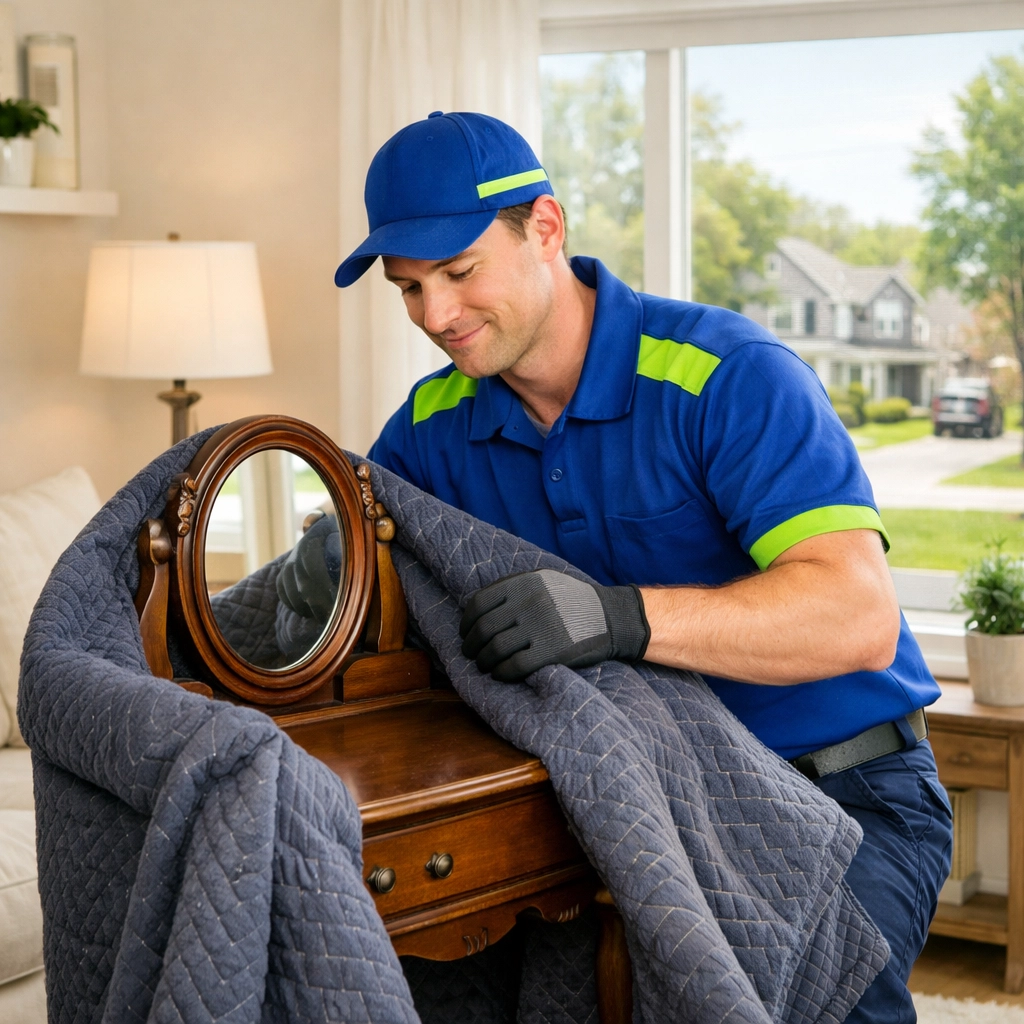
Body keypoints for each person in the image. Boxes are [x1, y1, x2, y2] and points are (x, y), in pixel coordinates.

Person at [328, 111, 951, 1022]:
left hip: (843, 789)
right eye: (409, 288)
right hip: (628, 806)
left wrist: (620, 618)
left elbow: (855, 616)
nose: (436, 316)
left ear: (546, 227)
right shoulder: (429, 429)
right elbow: (363, 591)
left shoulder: (727, 375)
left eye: (459, 273)